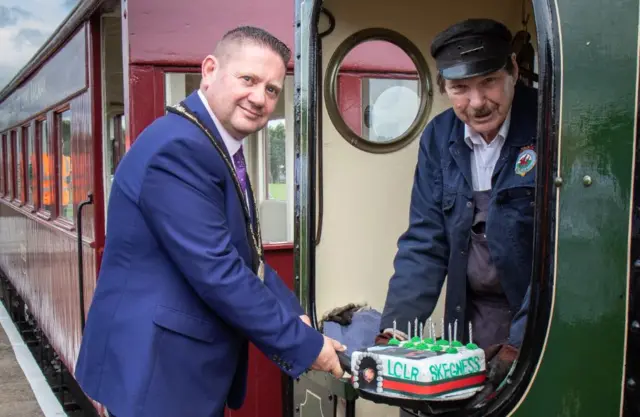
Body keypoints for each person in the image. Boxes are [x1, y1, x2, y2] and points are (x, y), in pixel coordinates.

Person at [75, 26, 345, 417]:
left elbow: (245, 257)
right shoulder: (181, 149)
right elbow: (218, 270)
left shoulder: (211, 143)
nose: (259, 98)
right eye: (248, 80)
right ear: (209, 70)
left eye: (272, 89)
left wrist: (292, 314)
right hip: (159, 377)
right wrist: (305, 345)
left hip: (173, 374)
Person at [376, 18, 536, 404]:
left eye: (489, 82)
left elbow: (567, 253)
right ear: (444, 87)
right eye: (460, 88)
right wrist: (394, 334)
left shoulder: (551, 124)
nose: (477, 102)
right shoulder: (438, 137)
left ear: (513, 70)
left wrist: (524, 343)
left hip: (538, 321)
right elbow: (425, 242)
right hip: (471, 320)